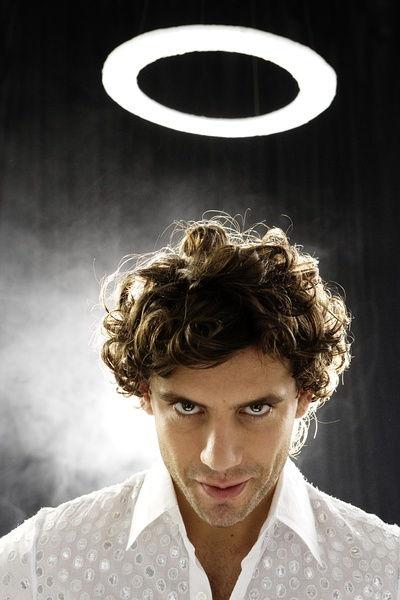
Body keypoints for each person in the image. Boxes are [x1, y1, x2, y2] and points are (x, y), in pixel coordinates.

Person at [1, 216, 399, 600]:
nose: (219, 459)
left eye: (256, 409)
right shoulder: (41, 565)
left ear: (305, 395)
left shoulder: (386, 574)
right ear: (145, 394)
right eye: (188, 407)